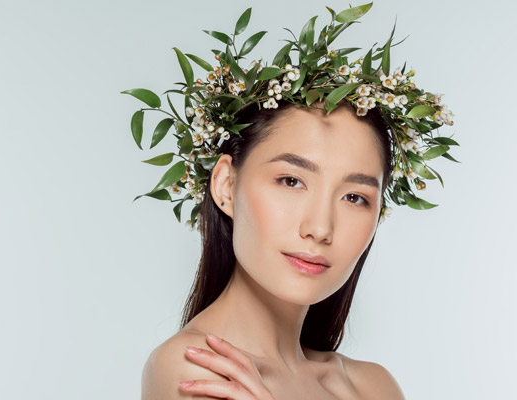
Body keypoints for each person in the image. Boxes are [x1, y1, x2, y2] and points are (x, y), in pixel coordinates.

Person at [125, 4, 458, 399]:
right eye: (291, 180)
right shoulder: (198, 365)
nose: (320, 228)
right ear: (226, 186)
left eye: (354, 197)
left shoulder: (372, 386)